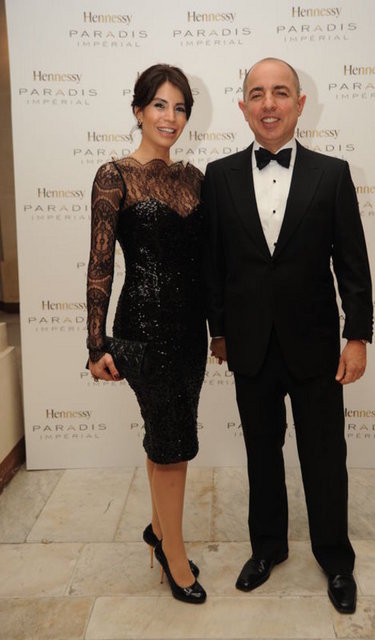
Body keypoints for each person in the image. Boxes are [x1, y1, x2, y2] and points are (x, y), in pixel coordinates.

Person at [203, 57, 373, 614]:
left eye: (280, 92)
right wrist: (218, 332)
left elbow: (352, 264)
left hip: (316, 344)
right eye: (257, 93)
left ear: (300, 104)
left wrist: (357, 336)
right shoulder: (218, 176)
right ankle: (267, 547)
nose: (269, 103)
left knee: (324, 455)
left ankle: (336, 560)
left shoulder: (333, 173)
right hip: (249, 343)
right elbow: (214, 265)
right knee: (261, 451)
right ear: (243, 107)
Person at [86, 64, 207, 604]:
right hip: (142, 329)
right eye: (160, 104)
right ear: (138, 110)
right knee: (173, 444)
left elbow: (207, 265)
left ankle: (158, 531)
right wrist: (96, 344)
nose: (170, 117)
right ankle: (174, 557)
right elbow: (100, 264)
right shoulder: (114, 175)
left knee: (165, 436)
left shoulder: (194, 179)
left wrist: (219, 330)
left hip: (190, 332)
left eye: (180, 107)